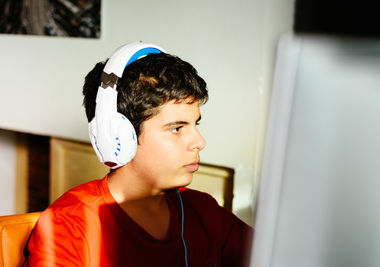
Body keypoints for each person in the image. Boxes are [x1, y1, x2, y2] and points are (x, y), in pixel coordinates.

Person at [23, 43, 253, 267]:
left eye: (195, 124)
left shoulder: (203, 210)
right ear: (120, 137)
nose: (199, 142)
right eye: (177, 128)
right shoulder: (69, 226)